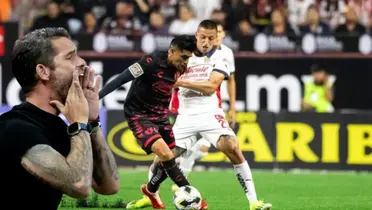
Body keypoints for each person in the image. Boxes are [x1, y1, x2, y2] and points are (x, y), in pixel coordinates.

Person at [129, 20, 272, 210]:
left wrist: (181, 83)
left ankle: (254, 202)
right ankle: (151, 194)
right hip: (185, 116)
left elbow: (211, 87)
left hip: (209, 113)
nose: (206, 42)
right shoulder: (183, 55)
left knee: (232, 146)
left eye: (211, 38)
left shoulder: (221, 59)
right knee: (163, 158)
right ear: (196, 35)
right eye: (203, 37)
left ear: (216, 38)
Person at [0, 27, 120, 210]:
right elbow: (79, 186)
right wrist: (79, 124)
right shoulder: (15, 128)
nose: (81, 62)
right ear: (43, 71)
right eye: (70, 57)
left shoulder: (60, 128)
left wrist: (91, 122)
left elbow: (109, 186)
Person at [98, 35, 206, 209]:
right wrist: (96, 97)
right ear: (171, 51)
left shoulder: (184, 65)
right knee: (166, 155)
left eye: (189, 58)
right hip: (139, 115)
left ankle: (150, 189)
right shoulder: (150, 61)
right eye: (183, 57)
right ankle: (193, 197)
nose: (186, 62)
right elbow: (121, 79)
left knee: (169, 159)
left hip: (161, 115)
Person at [173, 22, 237, 189]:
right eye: (204, 36)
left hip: (213, 104)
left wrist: (233, 108)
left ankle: (181, 175)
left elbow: (231, 81)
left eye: (220, 32)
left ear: (219, 36)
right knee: (188, 147)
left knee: (201, 149)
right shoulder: (194, 52)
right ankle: (181, 181)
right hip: (191, 104)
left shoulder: (226, 54)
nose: (217, 36)